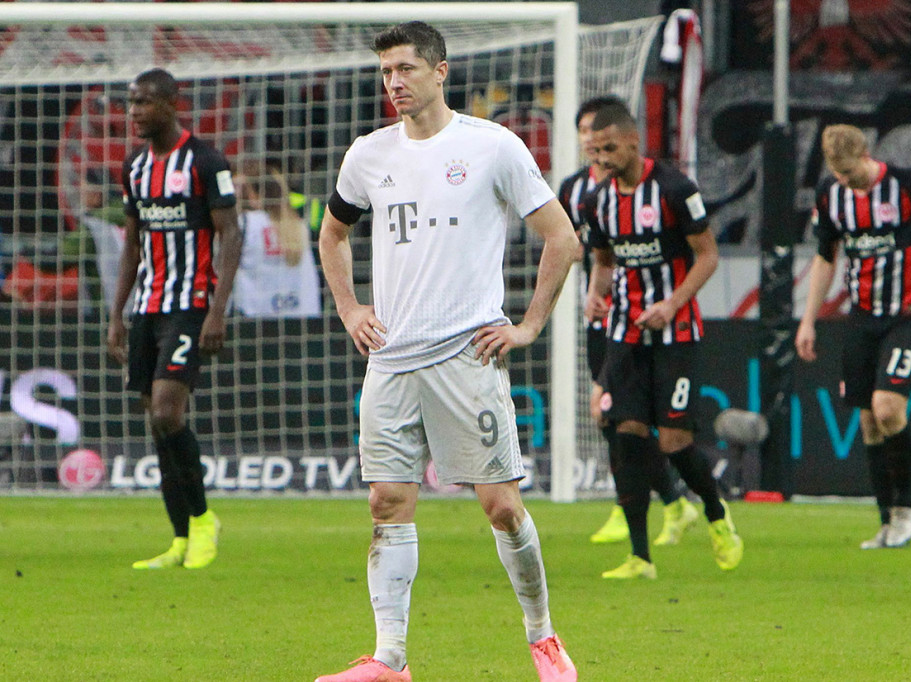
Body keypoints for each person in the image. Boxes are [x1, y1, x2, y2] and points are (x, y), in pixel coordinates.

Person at [315, 22, 578, 682]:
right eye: (385, 72)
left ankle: (543, 637)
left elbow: (563, 240)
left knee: (502, 507)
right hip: (392, 360)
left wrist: (528, 325)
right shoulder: (368, 155)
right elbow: (332, 235)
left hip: (467, 356)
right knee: (386, 505)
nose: (394, 82)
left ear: (441, 72)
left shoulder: (492, 147)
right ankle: (389, 659)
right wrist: (350, 308)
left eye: (405, 68)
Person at [796, 124, 911, 549]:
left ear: (867, 154)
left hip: (908, 314)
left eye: (851, 172)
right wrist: (808, 320)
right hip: (862, 317)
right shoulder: (831, 197)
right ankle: (886, 521)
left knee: (887, 407)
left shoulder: (908, 185)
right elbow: (826, 258)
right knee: (867, 418)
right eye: (839, 174)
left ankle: (905, 510)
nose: (847, 182)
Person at [584, 104, 743, 579]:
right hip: (625, 332)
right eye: (596, 151)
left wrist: (671, 304)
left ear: (635, 141)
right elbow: (604, 259)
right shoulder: (597, 201)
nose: (603, 158)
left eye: (610, 148)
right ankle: (640, 556)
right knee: (625, 432)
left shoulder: (675, 189)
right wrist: (595, 294)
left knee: (674, 439)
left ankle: (716, 515)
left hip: (675, 332)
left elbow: (708, 256)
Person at [106, 68, 242, 570]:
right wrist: (117, 315)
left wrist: (216, 311)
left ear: (170, 103)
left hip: (190, 306)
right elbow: (132, 245)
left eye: (143, 102)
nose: (134, 112)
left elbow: (231, 233)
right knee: (156, 423)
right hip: (147, 308)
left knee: (168, 412)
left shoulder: (205, 161)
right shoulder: (135, 167)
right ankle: (180, 538)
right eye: (130, 103)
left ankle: (204, 520)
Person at [557, 96, 698, 550]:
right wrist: (591, 295)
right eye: (583, 135)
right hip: (605, 316)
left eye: (595, 134)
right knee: (608, 414)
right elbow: (584, 250)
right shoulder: (575, 190)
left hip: (648, 316)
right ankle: (666, 501)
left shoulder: (662, 187)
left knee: (623, 411)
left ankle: (639, 504)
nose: (589, 144)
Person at [232, 160, 322, 317]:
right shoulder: (298, 225)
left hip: (257, 319)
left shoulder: (246, 224)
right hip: (301, 315)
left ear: (254, 195)